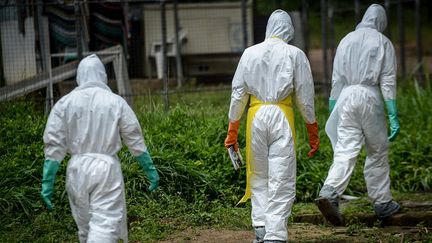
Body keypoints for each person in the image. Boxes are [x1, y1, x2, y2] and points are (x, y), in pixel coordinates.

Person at [40, 54, 159, 243]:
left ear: (79, 76)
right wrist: (150, 169)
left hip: (76, 168)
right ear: (102, 76)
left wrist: (47, 181)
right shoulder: (115, 101)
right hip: (106, 169)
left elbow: (54, 142)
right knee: (105, 225)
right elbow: (133, 136)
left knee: (84, 227)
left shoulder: (65, 103)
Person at [224, 10, 320, 243]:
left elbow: (238, 94)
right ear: (289, 29)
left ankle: (260, 229)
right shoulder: (295, 54)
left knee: (258, 175)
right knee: (282, 176)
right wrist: (312, 131)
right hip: (282, 116)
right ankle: (275, 235)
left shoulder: (249, 53)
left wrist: (232, 130)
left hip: (255, 116)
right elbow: (305, 97)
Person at [315, 4, 400, 226]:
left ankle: (330, 190)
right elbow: (388, 80)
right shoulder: (383, 42)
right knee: (377, 151)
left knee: (345, 149)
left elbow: (337, 79)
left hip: (346, 97)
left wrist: (334, 107)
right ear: (381, 22)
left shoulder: (346, 40)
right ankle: (382, 203)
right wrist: (392, 113)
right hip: (370, 97)